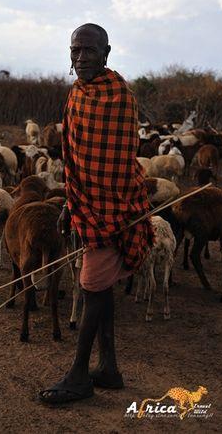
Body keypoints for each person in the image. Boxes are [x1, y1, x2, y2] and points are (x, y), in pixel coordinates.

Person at [38, 23, 154, 404]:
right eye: (75, 50)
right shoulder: (76, 94)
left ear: (106, 52)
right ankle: (109, 368)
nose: (81, 57)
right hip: (86, 205)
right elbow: (75, 157)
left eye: (89, 50)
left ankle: (78, 376)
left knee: (92, 288)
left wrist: (97, 207)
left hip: (114, 207)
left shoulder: (119, 96)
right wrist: (72, 203)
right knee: (100, 288)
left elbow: (118, 163)